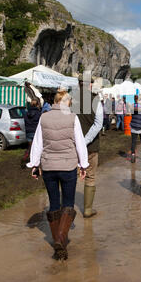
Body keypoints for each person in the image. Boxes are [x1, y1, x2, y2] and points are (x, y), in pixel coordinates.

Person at [27, 89, 88, 261]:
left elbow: (38, 143)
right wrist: (83, 165)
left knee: (54, 203)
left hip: (48, 167)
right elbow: (80, 143)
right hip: (68, 166)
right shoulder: (72, 117)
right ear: (66, 102)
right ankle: (61, 239)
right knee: (68, 203)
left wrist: (34, 165)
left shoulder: (44, 117)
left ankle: (57, 244)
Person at [77, 74, 103, 218]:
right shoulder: (95, 100)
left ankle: (66, 208)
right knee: (90, 176)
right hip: (90, 145)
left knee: (70, 177)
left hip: (72, 145)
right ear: (89, 84)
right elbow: (98, 124)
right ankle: (87, 210)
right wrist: (85, 140)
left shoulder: (70, 99)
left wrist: (77, 140)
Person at [21, 98, 41, 166]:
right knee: (35, 147)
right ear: (37, 105)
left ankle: (26, 156)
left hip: (28, 132)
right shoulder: (39, 113)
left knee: (30, 146)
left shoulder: (26, 113)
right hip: (35, 132)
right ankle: (33, 161)